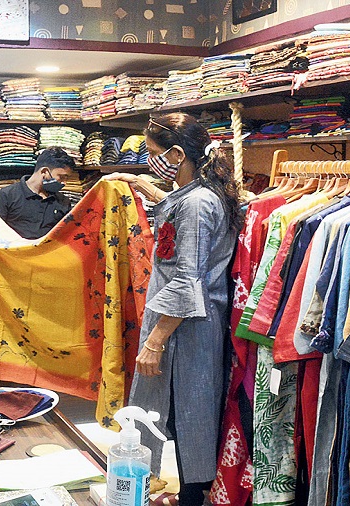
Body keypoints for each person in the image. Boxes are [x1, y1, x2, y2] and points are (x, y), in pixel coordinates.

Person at [105, 112, 243, 506]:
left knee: (189, 414)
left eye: (152, 153)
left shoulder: (198, 203)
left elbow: (188, 279)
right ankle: (183, 491)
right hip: (182, 321)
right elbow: (176, 211)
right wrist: (142, 185)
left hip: (186, 327)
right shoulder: (195, 193)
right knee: (173, 409)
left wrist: (155, 341)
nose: (150, 160)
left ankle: (193, 497)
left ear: (177, 153)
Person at [0, 146, 76, 239]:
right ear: (45, 172)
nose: (64, 182)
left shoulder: (63, 201)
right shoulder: (7, 195)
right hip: (15, 252)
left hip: (48, 252)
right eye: (62, 177)